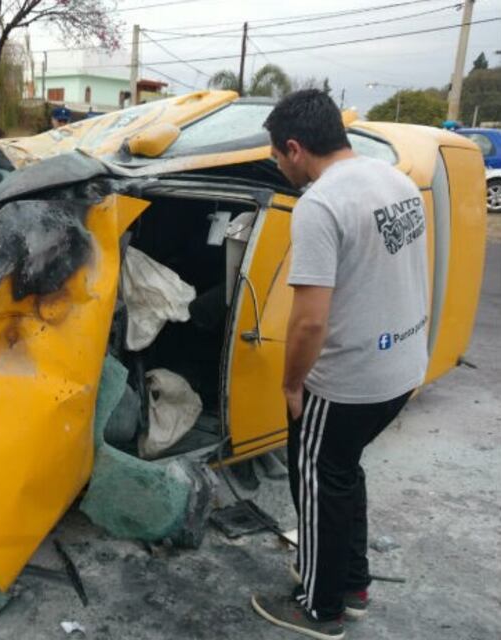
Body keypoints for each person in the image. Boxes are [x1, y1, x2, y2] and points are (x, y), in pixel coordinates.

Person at [250, 90, 429, 639]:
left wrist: (292, 384)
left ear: (296, 148)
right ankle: (352, 585)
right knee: (341, 473)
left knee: (317, 482)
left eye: (278, 156)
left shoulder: (321, 205)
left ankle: (319, 608)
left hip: (348, 381)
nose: (278, 166)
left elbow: (308, 322)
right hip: (401, 366)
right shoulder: (395, 180)